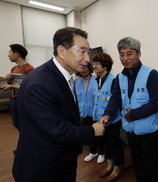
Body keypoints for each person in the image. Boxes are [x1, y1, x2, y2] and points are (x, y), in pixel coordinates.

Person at [12, 27, 105, 182]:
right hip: (43, 169)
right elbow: (57, 130)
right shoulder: (39, 83)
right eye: (82, 51)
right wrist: (91, 131)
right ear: (62, 51)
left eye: (88, 53)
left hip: (62, 161)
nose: (88, 59)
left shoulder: (63, 76)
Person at [99, 37, 158, 182]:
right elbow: (115, 98)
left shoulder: (152, 75)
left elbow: (155, 103)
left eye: (129, 54)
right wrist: (107, 115)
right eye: (122, 54)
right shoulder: (120, 77)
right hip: (131, 130)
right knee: (138, 165)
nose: (125, 58)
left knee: (151, 168)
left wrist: (133, 114)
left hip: (149, 131)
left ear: (139, 54)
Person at [90, 53, 124, 181]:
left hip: (112, 121)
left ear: (105, 66)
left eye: (97, 63)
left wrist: (108, 118)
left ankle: (117, 167)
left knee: (115, 145)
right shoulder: (96, 79)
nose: (94, 66)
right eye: (94, 63)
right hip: (99, 120)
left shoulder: (114, 80)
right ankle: (110, 164)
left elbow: (115, 103)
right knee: (106, 145)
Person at [2, 44, 34, 130]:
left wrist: (11, 86)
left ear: (16, 54)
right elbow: (11, 84)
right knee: (17, 123)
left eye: (10, 52)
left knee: (25, 123)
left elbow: (28, 87)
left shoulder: (29, 69)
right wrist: (9, 80)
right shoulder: (13, 69)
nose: (8, 55)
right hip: (14, 99)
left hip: (24, 99)